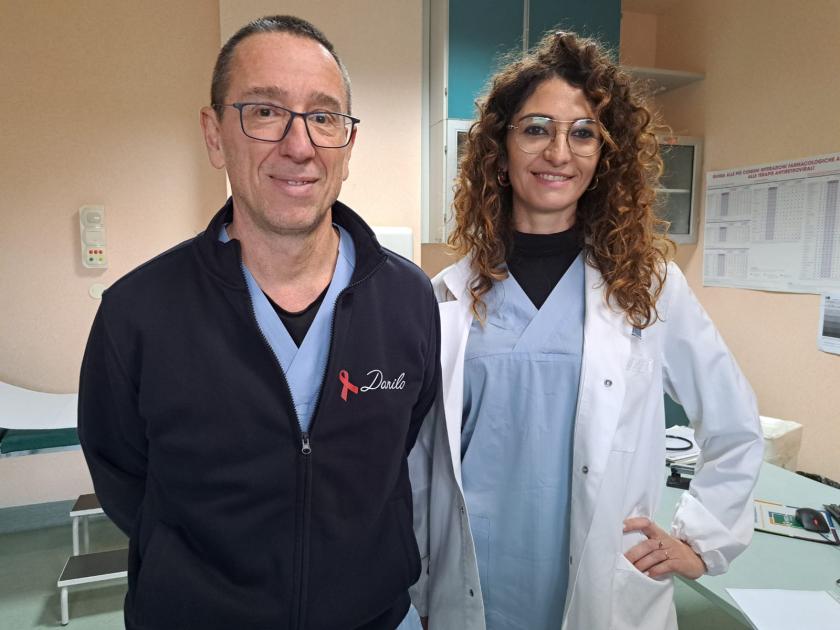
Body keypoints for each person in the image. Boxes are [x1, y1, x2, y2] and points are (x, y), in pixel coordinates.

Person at [78, 15, 439, 630]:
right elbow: (125, 482)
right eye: (265, 112)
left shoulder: (408, 300)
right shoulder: (136, 314)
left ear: (348, 144)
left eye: (324, 117)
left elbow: (398, 451)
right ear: (215, 135)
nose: (299, 145)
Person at [408, 30, 763, 630]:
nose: (559, 152)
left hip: (603, 582)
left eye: (583, 133)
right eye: (535, 129)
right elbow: (420, 462)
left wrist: (702, 542)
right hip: (472, 577)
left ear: (603, 158)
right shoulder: (446, 295)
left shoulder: (649, 287)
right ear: (499, 152)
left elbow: (735, 424)